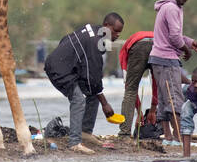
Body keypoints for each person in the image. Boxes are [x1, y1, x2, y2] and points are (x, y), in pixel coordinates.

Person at [44, 13, 124, 153]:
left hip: (69, 67)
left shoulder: (93, 30)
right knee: (79, 99)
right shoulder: (94, 42)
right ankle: (74, 142)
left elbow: (65, 39)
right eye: (115, 31)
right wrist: (105, 104)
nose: (117, 35)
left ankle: (85, 132)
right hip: (59, 69)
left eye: (120, 32)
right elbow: (94, 75)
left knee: (92, 92)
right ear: (106, 26)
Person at [149, 0, 197, 142]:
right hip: (166, 59)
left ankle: (168, 135)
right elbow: (173, 37)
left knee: (165, 98)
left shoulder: (172, 7)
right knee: (174, 99)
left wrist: (190, 43)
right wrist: (186, 51)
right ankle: (180, 138)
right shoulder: (172, 8)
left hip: (159, 58)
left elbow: (176, 35)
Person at [118, 29, 155, 135]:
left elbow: (129, 87)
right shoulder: (124, 52)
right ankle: (171, 134)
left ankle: (124, 133)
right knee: (163, 88)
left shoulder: (123, 54)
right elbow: (157, 84)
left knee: (130, 90)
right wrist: (152, 108)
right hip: (157, 44)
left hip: (139, 44)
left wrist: (141, 112)